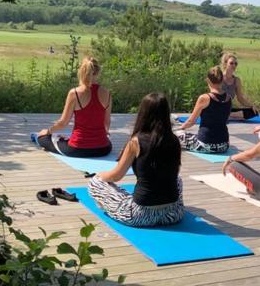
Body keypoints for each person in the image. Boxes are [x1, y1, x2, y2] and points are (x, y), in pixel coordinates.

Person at [88, 93, 184, 227]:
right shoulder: (174, 140)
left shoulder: (136, 142)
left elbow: (116, 176)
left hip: (141, 215)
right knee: (178, 179)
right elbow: (173, 172)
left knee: (95, 182)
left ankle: (106, 202)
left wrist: (100, 175)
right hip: (173, 213)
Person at [36, 57, 112, 157]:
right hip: (103, 149)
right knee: (107, 142)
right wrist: (102, 135)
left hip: (77, 148)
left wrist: (48, 131)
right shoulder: (107, 93)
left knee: (42, 138)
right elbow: (107, 122)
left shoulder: (74, 93)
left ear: (81, 72)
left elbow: (63, 123)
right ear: (98, 72)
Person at [175, 66, 232, 154]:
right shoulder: (229, 98)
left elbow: (191, 122)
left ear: (208, 80)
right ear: (222, 80)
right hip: (224, 145)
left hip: (205, 144)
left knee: (175, 134)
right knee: (191, 136)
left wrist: (179, 128)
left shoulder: (204, 98)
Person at [220, 53, 259, 120]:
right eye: (231, 63)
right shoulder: (219, 78)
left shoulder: (237, 80)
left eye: (235, 64)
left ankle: (229, 116)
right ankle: (229, 116)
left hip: (228, 109)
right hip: (218, 108)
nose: (234, 65)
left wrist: (252, 106)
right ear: (225, 63)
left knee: (254, 112)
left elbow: (240, 98)